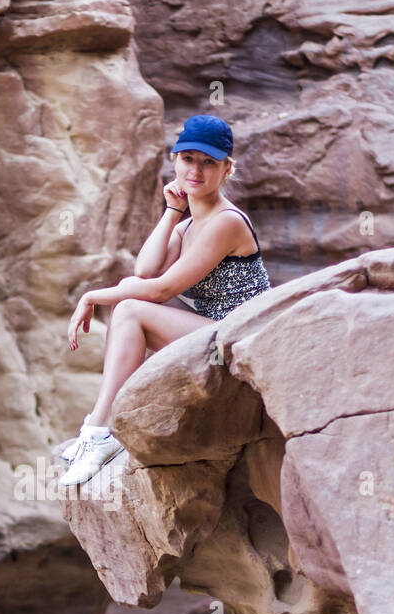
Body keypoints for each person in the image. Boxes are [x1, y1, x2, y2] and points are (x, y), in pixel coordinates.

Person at [58, 114, 272, 487]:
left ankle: (99, 430)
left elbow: (160, 291)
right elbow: (145, 271)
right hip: (217, 337)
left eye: (209, 162)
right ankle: (98, 428)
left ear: (227, 169)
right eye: (188, 159)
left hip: (242, 344)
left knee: (129, 309)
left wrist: (92, 296)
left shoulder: (227, 222)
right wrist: (173, 211)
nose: (196, 170)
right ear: (174, 161)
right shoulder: (189, 224)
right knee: (129, 299)